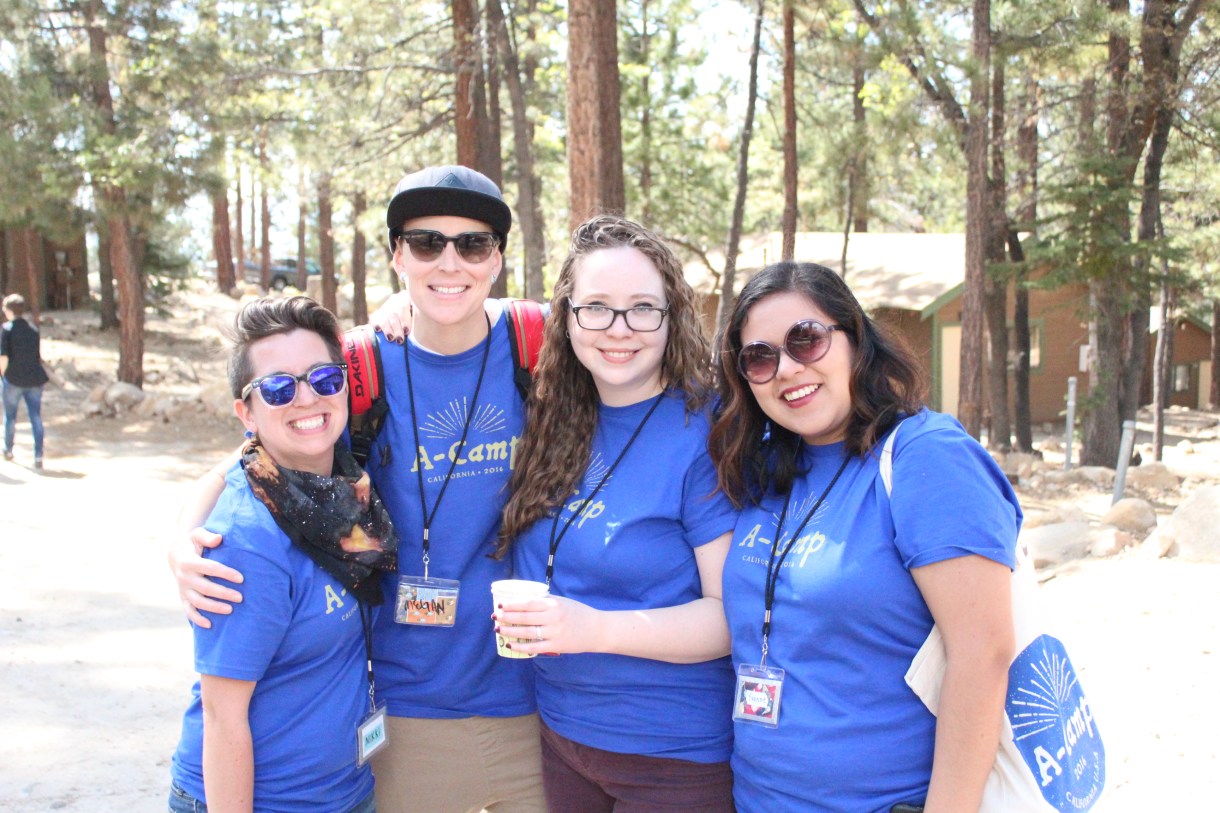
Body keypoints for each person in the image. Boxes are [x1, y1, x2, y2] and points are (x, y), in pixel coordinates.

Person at [170, 166, 547, 813]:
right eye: (427, 243)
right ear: (399, 255)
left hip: (533, 699)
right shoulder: (357, 364)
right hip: (406, 707)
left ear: (498, 259)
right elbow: (258, 449)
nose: (449, 261)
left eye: (472, 244)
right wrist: (183, 537)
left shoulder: (539, 346)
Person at [707, 262, 1022, 813]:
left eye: (806, 340)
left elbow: (984, 652)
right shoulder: (767, 468)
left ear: (856, 339)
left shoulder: (927, 456)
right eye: (760, 357)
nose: (785, 369)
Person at [492, 216, 737, 811]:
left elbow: (731, 617)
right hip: (562, 739)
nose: (619, 329)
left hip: (671, 758)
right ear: (568, 318)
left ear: (671, 315)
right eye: (596, 306)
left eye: (642, 308)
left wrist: (593, 628)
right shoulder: (555, 414)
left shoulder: (705, 430)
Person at [169, 296, 397, 812]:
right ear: (245, 412)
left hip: (344, 792)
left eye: (323, 379)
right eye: (276, 388)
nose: (306, 399)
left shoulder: (344, 482)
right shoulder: (245, 543)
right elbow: (223, 717)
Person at [2, 293, 49, 468]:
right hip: (35, 378)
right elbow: (36, 355)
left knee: (10, 416)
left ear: (9, 310)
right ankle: (38, 455)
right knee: (36, 417)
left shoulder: (7, 329)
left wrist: (4, 375)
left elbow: (3, 357)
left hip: (13, 379)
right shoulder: (33, 328)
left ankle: (8, 448)